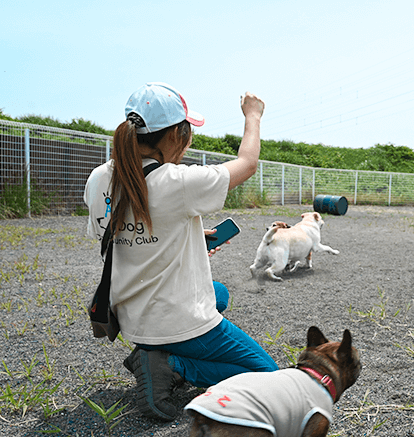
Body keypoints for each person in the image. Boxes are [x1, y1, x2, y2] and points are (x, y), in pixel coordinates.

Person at [83, 82, 278, 421]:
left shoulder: (99, 178)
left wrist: (187, 235)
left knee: (219, 293)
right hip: (173, 320)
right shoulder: (179, 182)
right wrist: (253, 115)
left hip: (131, 317)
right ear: (176, 135)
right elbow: (247, 163)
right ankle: (172, 365)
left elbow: (124, 232)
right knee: (268, 376)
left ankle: (152, 351)